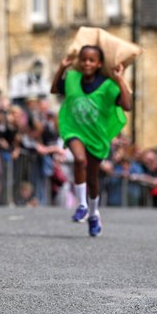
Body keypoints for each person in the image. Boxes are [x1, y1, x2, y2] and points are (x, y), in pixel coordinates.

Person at [50, 45, 131, 237]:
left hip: (96, 134)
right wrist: (61, 68)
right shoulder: (71, 78)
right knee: (79, 160)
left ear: (99, 63)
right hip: (73, 128)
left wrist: (120, 79)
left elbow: (127, 105)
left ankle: (94, 214)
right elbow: (54, 89)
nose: (87, 63)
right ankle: (82, 205)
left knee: (93, 180)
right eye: (84, 59)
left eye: (91, 60)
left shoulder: (108, 85)